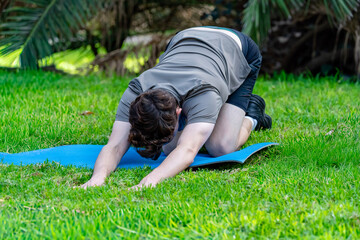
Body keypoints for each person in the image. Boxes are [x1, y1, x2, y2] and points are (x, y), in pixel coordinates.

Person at [80, 26, 272, 189]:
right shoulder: (135, 91)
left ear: (180, 112)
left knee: (220, 146)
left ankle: (252, 115)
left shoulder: (204, 94)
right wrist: (97, 179)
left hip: (237, 49)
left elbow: (187, 151)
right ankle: (209, 119)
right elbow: (114, 146)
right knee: (169, 148)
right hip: (183, 39)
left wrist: (147, 182)